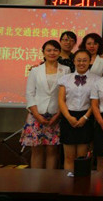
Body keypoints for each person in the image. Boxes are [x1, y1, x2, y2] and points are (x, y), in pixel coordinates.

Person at [21, 40, 69, 169]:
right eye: (49, 50)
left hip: (56, 114)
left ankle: (50, 180)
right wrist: (37, 115)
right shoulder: (35, 70)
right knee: (36, 150)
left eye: (55, 50)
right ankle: (36, 180)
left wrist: (58, 115)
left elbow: (66, 95)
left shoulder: (66, 70)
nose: (52, 53)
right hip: (36, 114)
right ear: (43, 52)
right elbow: (30, 93)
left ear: (59, 52)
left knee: (52, 151)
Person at [57, 49, 97, 172]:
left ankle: (82, 182)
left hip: (86, 118)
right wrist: (69, 117)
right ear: (74, 61)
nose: (81, 63)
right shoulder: (65, 79)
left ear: (90, 61)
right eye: (78, 60)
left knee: (82, 157)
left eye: (85, 60)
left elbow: (95, 102)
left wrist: (85, 117)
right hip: (68, 117)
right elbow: (61, 100)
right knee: (69, 157)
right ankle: (68, 182)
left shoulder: (96, 79)